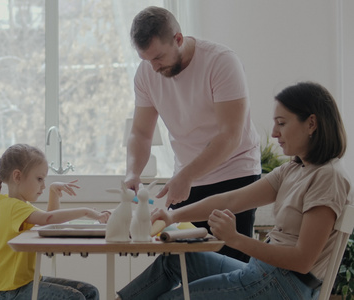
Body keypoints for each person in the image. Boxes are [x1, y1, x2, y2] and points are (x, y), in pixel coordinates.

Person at [116, 82, 351, 300]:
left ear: (311, 123)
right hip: (264, 273)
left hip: (284, 285)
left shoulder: (327, 177)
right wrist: (173, 215)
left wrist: (235, 239)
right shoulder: (294, 168)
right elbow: (232, 199)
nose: (274, 133)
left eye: (281, 123)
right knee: (174, 261)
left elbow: (302, 261)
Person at [124, 6, 262, 262]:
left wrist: (185, 174)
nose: (154, 68)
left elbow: (229, 136)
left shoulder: (221, 62)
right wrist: (133, 172)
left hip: (234, 174)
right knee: (180, 264)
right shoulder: (146, 73)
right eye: (147, 60)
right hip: (187, 182)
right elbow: (141, 133)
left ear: (178, 38)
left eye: (159, 58)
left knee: (229, 266)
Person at [0, 144, 110, 300]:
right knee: (75, 298)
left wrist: (53, 192)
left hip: (24, 283)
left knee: (90, 292)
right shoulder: (13, 207)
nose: (43, 186)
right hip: (10, 291)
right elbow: (47, 220)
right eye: (39, 179)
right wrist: (85, 211)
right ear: (17, 177)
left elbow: (47, 221)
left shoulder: (20, 205)